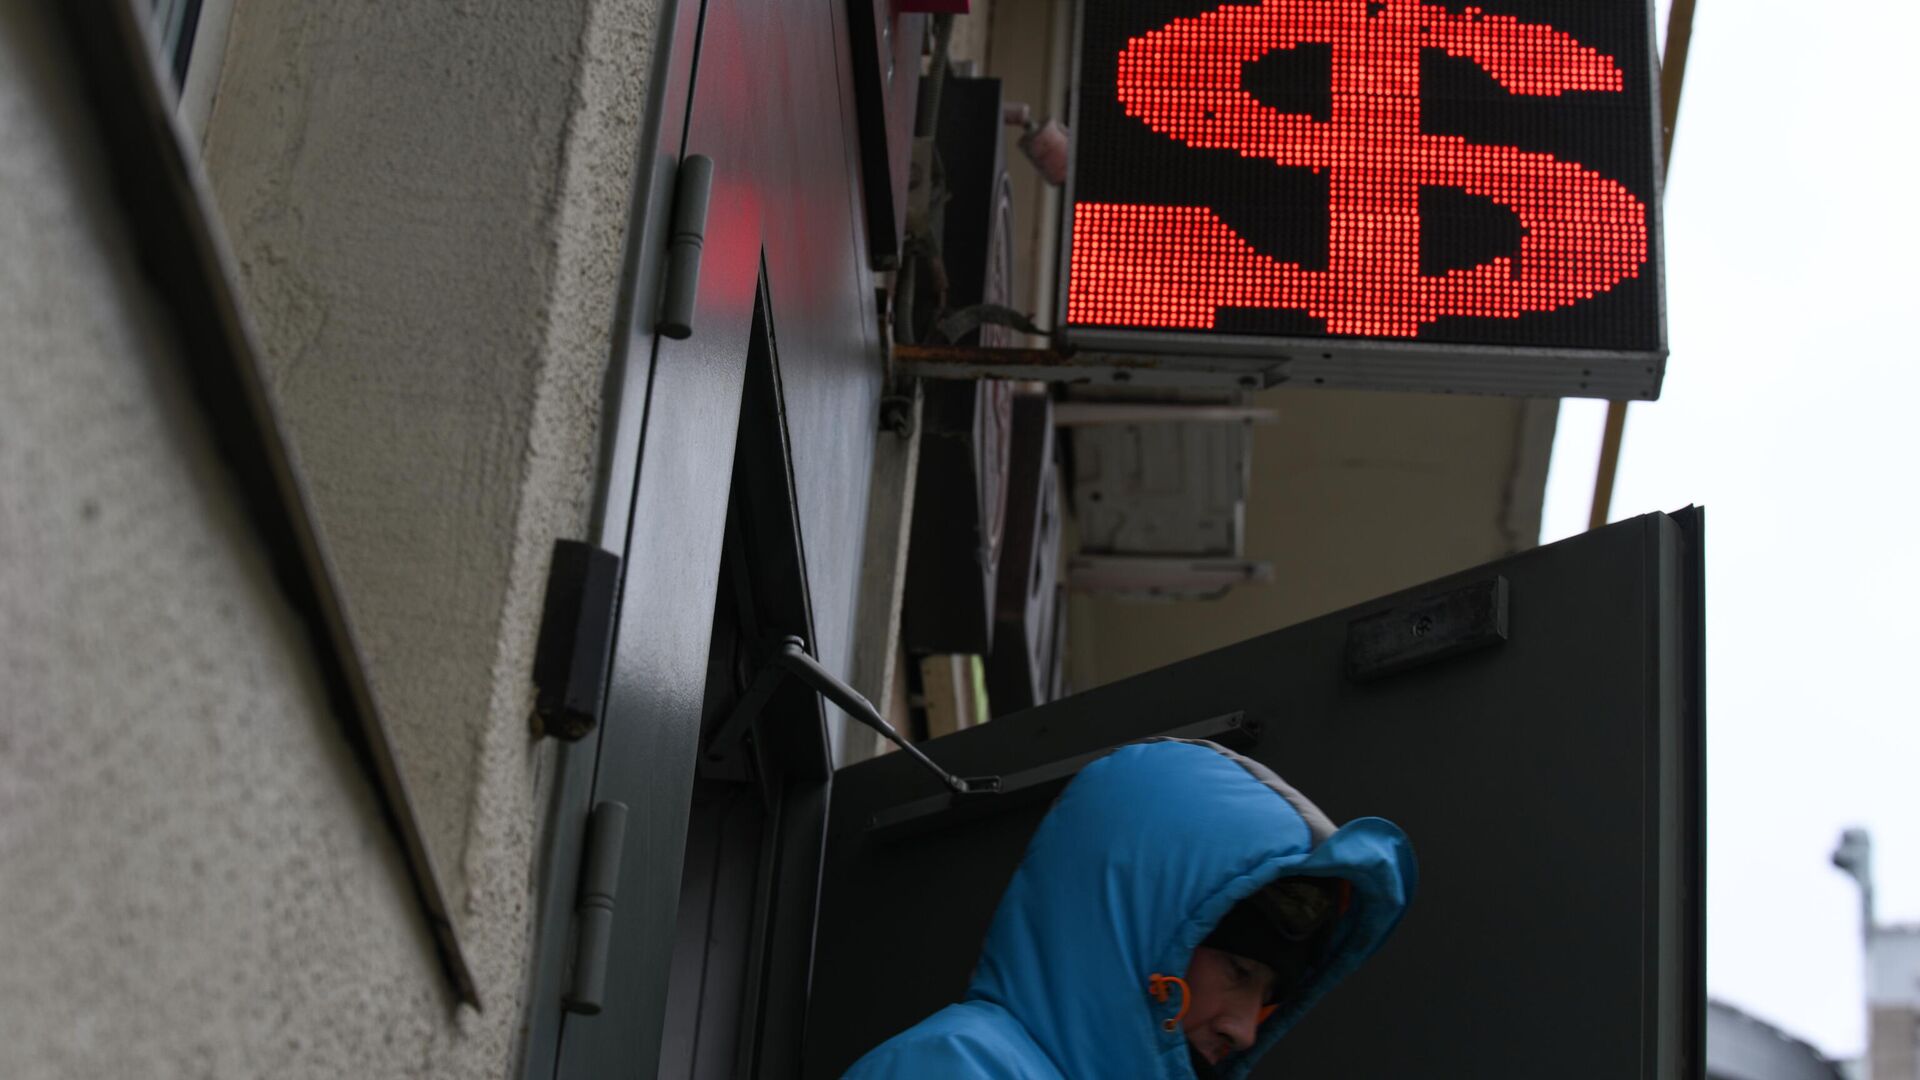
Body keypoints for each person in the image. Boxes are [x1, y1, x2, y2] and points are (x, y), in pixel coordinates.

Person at [842, 738, 1416, 1079]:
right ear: (1135, 930)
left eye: (1268, 999)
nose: (1244, 1031)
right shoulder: (957, 1067)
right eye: (1239, 971)